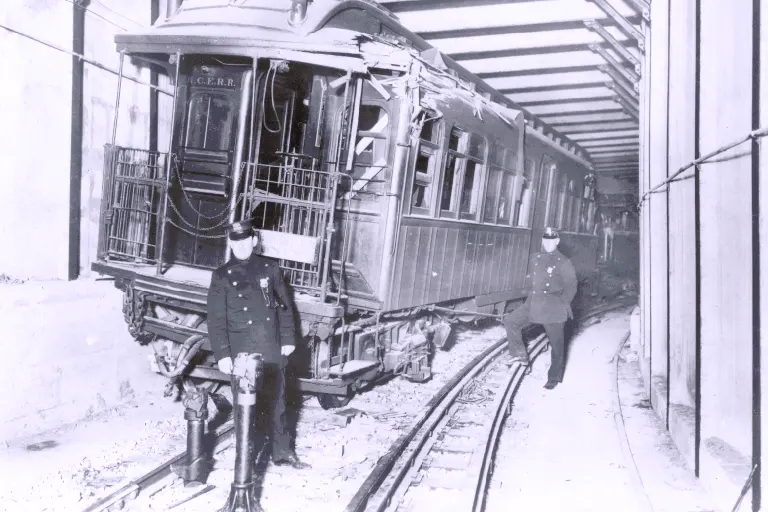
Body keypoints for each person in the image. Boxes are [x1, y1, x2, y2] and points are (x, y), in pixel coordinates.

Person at [207, 219, 310, 469]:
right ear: (230, 244)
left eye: (245, 241)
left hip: (271, 346)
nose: (241, 246)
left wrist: (287, 340)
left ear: (254, 241)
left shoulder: (270, 269)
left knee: (278, 403)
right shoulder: (221, 276)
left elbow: (286, 308)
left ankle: (283, 453)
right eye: (236, 242)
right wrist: (222, 353)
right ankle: (246, 460)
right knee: (245, 408)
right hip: (242, 352)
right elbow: (216, 318)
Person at [502, 227, 578, 390]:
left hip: (553, 307)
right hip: (534, 303)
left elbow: (571, 287)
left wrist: (561, 304)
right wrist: (529, 297)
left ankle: (554, 378)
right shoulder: (535, 258)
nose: (548, 243)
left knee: (557, 345)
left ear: (557, 242)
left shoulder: (564, 262)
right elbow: (531, 281)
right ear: (543, 241)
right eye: (546, 240)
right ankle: (519, 355)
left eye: (552, 241)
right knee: (510, 321)